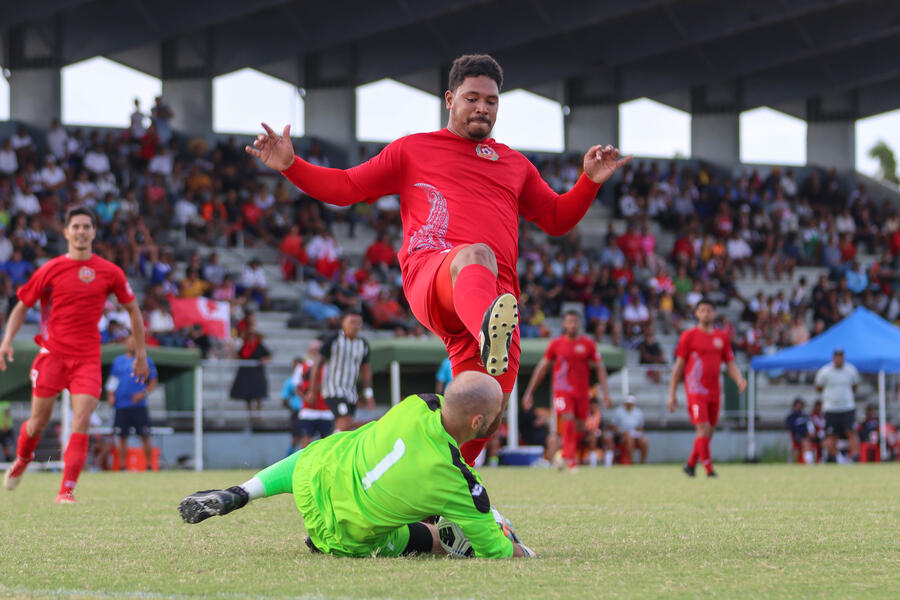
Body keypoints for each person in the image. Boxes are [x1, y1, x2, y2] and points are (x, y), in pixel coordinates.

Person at [247, 53, 631, 465]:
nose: (482, 107)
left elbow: (555, 219)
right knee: (475, 254)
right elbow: (346, 187)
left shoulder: (514, 164)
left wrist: (588, 182)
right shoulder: (413, 150)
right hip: (434, 274)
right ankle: (487, 331)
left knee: (487, 409)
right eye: (472, 98)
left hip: (494, 295)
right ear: (450, 99)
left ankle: (432, 503)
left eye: (491, 101)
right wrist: (291, 165)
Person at [178, 371, 535, 559]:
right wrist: (525, 551)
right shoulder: (459, 481)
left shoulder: (418, 403)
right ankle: (325, 541)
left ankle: (242, 492)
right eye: (493, 416)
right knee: (439, 540)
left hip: (313, 477)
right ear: (476, 424)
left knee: (331, 447)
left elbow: (457, 401)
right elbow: (496, 552)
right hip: (342, 535)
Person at [1, 206, 149, 502]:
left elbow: (133, 310)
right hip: (52, 355)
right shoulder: (50, 268)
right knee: (36, 423)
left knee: (81, 420)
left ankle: (66, 491)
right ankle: (23, 458)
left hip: (87, 359)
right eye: (76, 227)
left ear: (94, 232)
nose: (81, 232)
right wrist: (7, 341)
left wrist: (141, 353)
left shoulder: (110, 271)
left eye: (86, 227)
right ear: (67, 232)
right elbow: (21, 306)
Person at [521, 311, 612, 470]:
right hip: (562, 392)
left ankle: (562, 455)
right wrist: (529, 392)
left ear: (580, 324)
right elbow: (542, 368)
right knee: (568, 421)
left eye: (575, 321)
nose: (573, 325)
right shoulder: (556, 344)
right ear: (564, 324)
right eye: (569, 321)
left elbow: (600, 368)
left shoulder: (588, 344)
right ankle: (571, 460)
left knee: (580, 428)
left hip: (582, 393)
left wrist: (606, 393)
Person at [668, 298, 747, 478]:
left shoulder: (722, 337)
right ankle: (709, 470)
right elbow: (679, 366)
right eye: (702, 310)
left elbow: (730, 363)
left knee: (708, 433)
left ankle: (690, 465)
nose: (705, 313)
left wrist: (739, 379)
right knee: (702, 429)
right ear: (696, 313)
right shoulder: (688, 336)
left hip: (714, 391)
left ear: (715, 313)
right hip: (695, 390)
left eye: (709, 310)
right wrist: (672, 394)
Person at [309, 312, 374, 432]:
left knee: (342, 428)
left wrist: (369, 394)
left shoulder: (363, 344)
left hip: (351, 393)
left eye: (358, 323)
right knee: (345, 423)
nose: (355, 326)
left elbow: (365, 370)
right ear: (343, 323)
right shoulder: (333, 340)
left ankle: (331, 445)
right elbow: (317, 365)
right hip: (334, 391)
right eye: (352, 322)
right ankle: (373, 423)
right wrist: (312, 391)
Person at [106, 335, 159, 471]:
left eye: (135, 343)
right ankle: (122, 466)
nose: (132, 345)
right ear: (125, 344)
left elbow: (153, 381)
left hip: (139, 406)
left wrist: (143, 394)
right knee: (121, 436)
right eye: (130, 343)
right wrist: (111, 395)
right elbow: (113, 381)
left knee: (145, 435)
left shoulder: (146, 361)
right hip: (121, 405)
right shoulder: (118, 361)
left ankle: (149, 465)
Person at [814, 348, 860, 463]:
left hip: (847, 407)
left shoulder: (850, 370)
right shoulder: (825, 372)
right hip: (831, 408)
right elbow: (818, 387)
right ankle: (834, 458)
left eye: (841, 356)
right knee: (831, 434)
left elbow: (855, 386)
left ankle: (855, 457)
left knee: (850, 432)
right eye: (837, 357)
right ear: (833, 358)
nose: (839, 359)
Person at [230, 330, 272, 424]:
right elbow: (238, 357)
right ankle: (251, 415)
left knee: (259, 394)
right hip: (246, 373)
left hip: (257, 373)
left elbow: (268, 355)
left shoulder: (259, 346)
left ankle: (258, 414)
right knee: (248, 395)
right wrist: (230, 349)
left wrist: (264, 360)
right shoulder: (244, 346)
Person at [608, 395, 648, 465]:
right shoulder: (618, 412)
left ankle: (643, 462)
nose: (629, 405)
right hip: (622, 435)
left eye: (630, 403)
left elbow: (640, 428)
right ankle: (631, 461)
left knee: (644, 441)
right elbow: (612, 426)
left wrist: (638, 432)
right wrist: (620, 431)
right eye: (627, 403)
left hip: (635, 434)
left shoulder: (638, 412)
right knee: (629, 439)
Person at [785, 397, 816, 465]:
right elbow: (792, 428)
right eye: (798, 404)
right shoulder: (792, 417)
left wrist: (811, 432)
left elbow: (810, 425)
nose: (800, 406)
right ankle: (809, 463)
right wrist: (804, 433)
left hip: (808, 435)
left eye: (801, 405)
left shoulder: (805, 416)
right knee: (806, 442)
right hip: (798, 436)